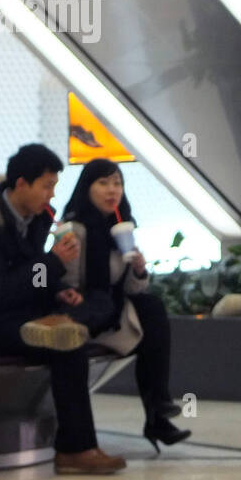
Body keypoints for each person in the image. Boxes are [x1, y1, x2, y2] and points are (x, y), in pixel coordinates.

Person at [0, 143, 125, 474]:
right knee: (65, 344)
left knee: (83, 322)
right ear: (21, 184)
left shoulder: (34, 219)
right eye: (46, 186)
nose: (51, 195)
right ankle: (75, 450)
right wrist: (53, 263)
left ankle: (77, 447)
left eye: (54, 186)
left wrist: (58, 290)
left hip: (14, 313)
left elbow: (27, 277)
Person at [58, 158, 191, 453]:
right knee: (147, 328)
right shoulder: (74, 230)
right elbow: (63, 283)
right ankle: (156, 415)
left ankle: (158, 408)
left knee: (152, 307)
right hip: (85, 312)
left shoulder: (121, 228)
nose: (112, 190)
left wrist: (139, 269)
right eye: (103, 183)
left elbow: (132, 288)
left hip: (112, 308)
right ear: (87, 188)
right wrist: (70, 293)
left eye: (117, 183)